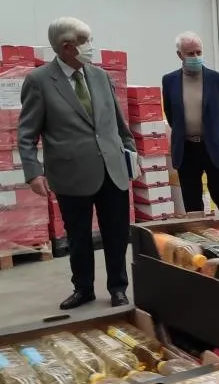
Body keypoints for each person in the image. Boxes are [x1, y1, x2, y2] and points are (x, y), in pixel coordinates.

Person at [17, 17, 135, 309]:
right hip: (70, 173)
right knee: (79, 237)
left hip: (112, 170)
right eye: (85, 41)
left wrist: (131, 153)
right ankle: (83, 289)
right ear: (67, 47)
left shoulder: (100, 76)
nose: (91, 46)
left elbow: (118, 123)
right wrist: (33, 172)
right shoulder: (39, 81)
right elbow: (27, 133)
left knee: (116, 233)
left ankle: (118, 287)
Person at [162, 32, 219, 215]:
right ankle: (200, 233)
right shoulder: (169, 81)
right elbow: (171, 115)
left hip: (213, 147)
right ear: (180, 55)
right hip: (186, 149)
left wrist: (218, 136)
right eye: (190, 53)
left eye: (198, 52)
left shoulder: (218, 80)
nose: (196, 57)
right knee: (192, 203)